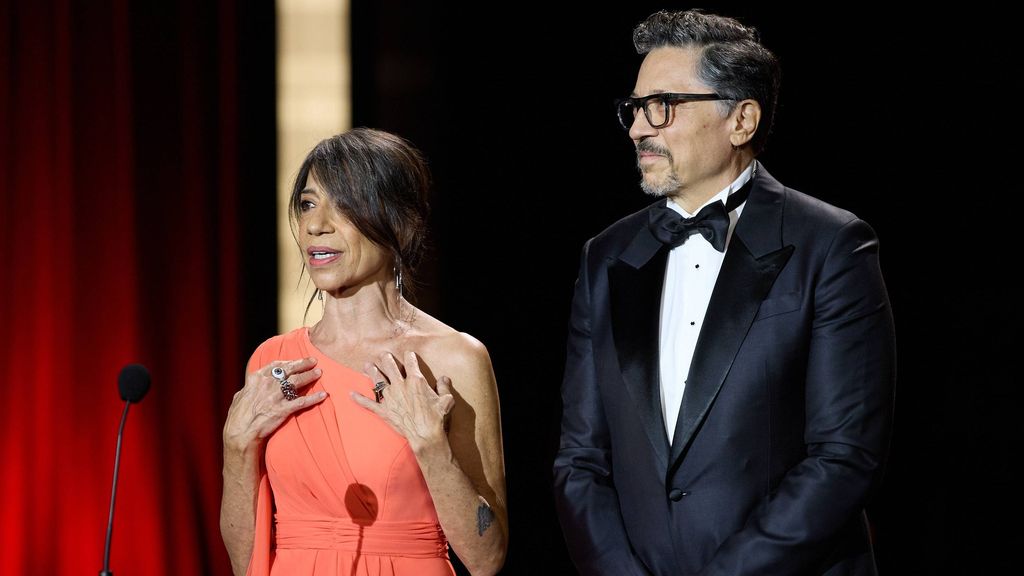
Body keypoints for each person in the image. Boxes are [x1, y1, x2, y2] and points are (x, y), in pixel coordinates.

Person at [553, 9, 895, 576]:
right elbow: (580, 459)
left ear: (741, 120)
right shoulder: (606, 255)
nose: (640, 127)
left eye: (663, 105)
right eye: (635, 109)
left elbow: (844, 456)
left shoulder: (831, 244)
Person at [220, 128, 507, 576]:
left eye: (344, 205)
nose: (317, 224)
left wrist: (432, 447)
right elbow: (244, 561)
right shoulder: (273, 363)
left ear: (401, 222)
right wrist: (236, 448)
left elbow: (487, 557)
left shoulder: (454, 359)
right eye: (309, 204)